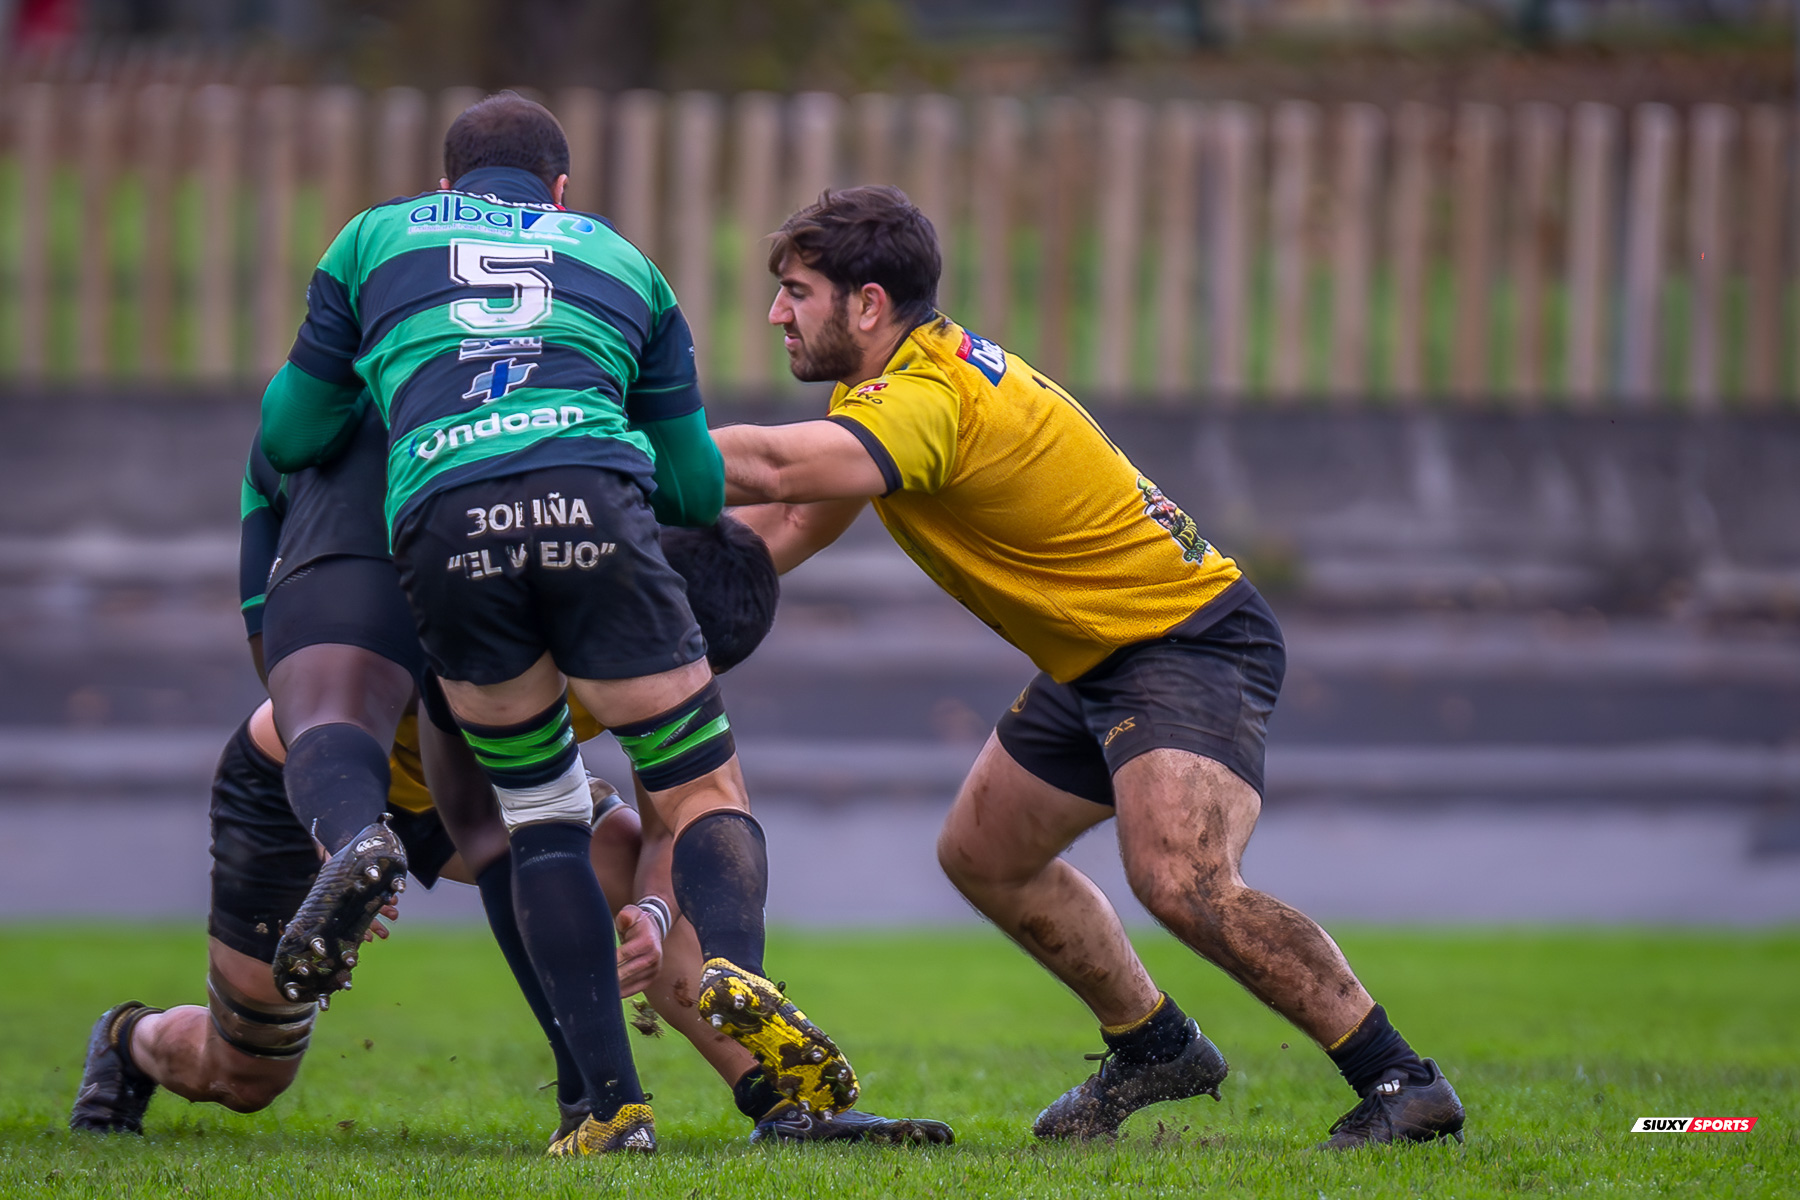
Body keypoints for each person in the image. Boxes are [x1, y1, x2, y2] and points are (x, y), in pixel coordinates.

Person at [712, 185, 1466, 1150]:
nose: (775, 313)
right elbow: (783, 521)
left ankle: (1401, 1081)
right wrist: (632, 574)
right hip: (1100, 654)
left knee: (1183, 878)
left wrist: (607, 447)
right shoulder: (889, 395)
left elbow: (777, 470)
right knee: (984, 855)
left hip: (1187, 640)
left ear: (867, 304)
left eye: (795, 291)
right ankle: (1155, 1045)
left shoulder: (928, 400)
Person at [255, 92, 873, 1155]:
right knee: (703, 789)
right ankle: (735, 966)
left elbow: (291, 431)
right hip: (591, 499)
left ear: (446, 186)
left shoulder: (373, 238)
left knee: (537, 824)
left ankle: (609, 1110)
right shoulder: (625, 262)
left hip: (442, 519)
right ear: (560, 191)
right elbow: (692, 487)